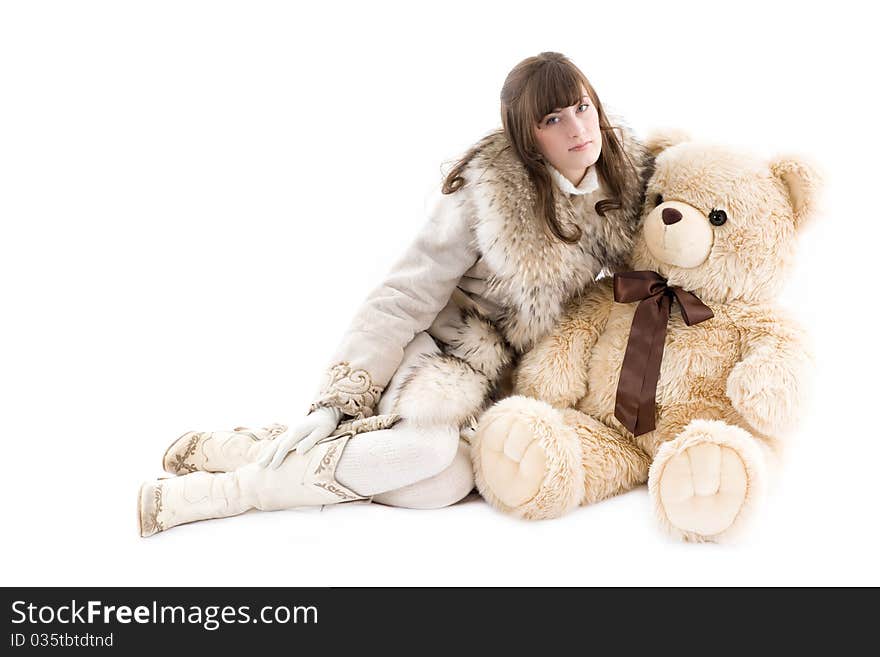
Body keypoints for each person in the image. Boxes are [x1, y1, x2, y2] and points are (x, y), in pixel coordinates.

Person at [138, 51, 653, 537]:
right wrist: (337, 402)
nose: (578, 128)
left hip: (501, 378)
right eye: (553, 119)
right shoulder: (486, 198)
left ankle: (255, 450)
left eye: (582, 107)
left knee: (444, 485)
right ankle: (226, 493)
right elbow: (404, 296)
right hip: (435, 349)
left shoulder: (624, 181)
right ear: (526, 136)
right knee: (428, 453)